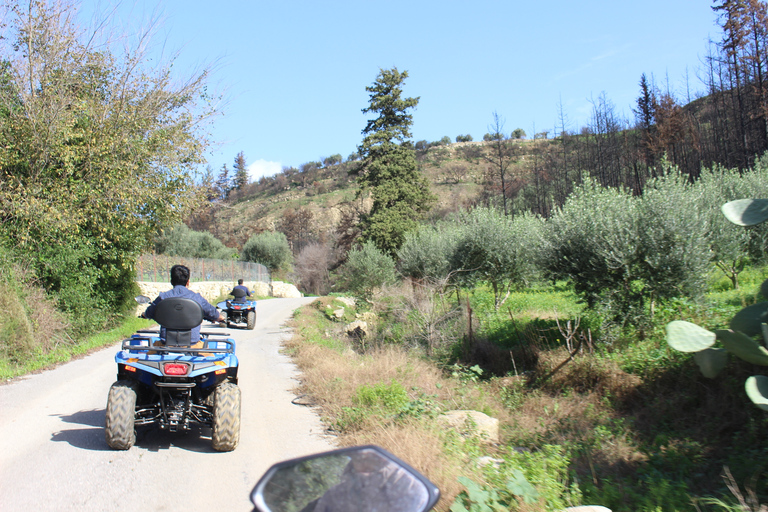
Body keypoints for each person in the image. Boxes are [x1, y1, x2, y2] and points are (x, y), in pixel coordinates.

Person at [143, 264, 225, 348]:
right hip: (193, 346)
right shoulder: (197, 298)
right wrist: (221, 318)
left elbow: (149, 313)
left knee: (145, 357)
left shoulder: (162, 297)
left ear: (171, 281)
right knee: (211, 358)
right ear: (188, 282)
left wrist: (144, 315)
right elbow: (213, 313)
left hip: (165, 345)